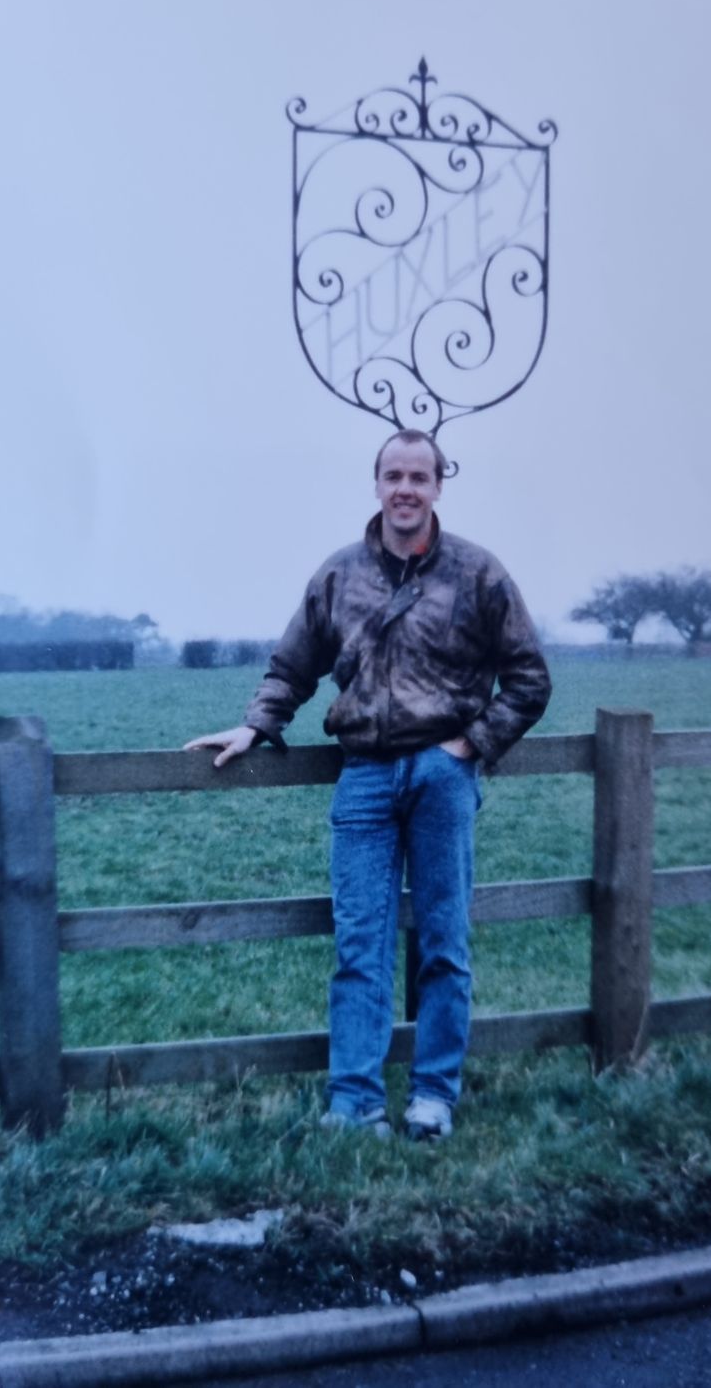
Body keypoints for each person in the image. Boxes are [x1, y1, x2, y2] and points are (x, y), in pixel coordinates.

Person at [184, 430, 551, 1140]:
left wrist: (469, 745)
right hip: (364, 779)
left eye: (419, 476)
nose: (405, 488)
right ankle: (354, 1103)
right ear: (377, 483)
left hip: (443, 778)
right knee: (360, 946)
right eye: (394, 475)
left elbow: (530, 679)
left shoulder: (479, 573)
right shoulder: (338, 575)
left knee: (443, 943)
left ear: (439, 485)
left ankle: (433, 1097)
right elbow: (292, 666)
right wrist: (256, 725)